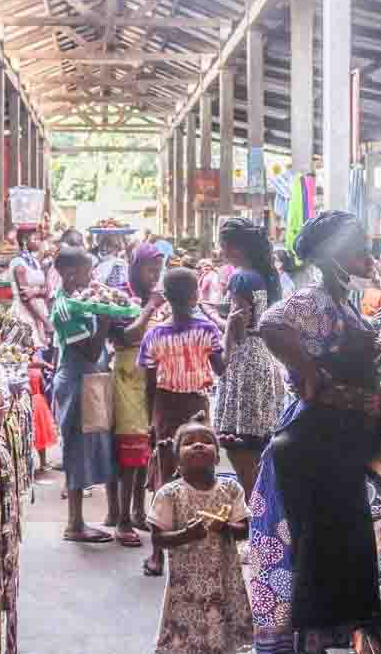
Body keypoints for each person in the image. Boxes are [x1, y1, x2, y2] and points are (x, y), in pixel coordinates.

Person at [253, 211, 381, 654]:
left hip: (336, 448)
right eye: (358, 241)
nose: (367, 249)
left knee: (336, 555)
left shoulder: (341, 299)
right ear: (333, 252)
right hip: (315, 447)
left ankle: (326, 641)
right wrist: (309, 373)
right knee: (319, 558)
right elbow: (271, 324)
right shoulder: (314, 298)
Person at [139, 268, 223, 577]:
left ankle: (158, 555)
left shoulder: (154, 334)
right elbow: (221, 367)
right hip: (197, 407)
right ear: (195, 296)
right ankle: (204, 548)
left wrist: (150, 420)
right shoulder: (208, 330)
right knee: (200, 473)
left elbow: (148, 383)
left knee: (165, 476)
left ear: (167, 298)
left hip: (165, 406)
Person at [147, 413, 252, 654]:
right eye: (188, 442)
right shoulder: (168, 494)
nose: (197, 444)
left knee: (220, 634)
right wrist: (186, 534)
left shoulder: (231, 490)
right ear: (177, 460)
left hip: (223, 580)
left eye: (205, 441)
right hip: (185, 585)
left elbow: (244, 528)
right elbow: (157, 538)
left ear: (217, 457)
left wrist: (225, 527)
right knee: (185, 637)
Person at [202, 218, 288, 499]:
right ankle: (267, 514)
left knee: (240, 444)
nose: (220, 249)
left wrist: (212, 316)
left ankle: (254, 513)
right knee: (260, 442)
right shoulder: (266, 275)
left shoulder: (240, 277)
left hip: (245, 360)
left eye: (222, 243)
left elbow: (238, 328)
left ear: (234, 247)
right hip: (265, 357)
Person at [50, 246, 118, 543]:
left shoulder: (78, 301)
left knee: (88, 445)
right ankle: (74, 524)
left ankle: (80, 521)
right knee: (77, 448)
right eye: (88, 270)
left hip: (89, 381)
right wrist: (105, 317)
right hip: (78, 381)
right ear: (70, 273)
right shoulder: (65, 307)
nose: (93, 276)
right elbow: (90, 351)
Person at [105, 243, 167, 548]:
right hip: (127, 374)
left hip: (150, 377)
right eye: (149, 268)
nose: (154, 274)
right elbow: (126, 335)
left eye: (158, 268)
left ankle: (139, 510)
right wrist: (151, 306)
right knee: (131, 447)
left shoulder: (151, 297)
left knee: (145, 445)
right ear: (136, 267)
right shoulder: (122, 295)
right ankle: (122, 521)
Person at [8, 229, 51, 350]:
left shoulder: (36, 262)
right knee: (25, 352)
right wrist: (46, 322)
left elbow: (47, 291)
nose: (39, 243)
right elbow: (26, 299)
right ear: (24, 241)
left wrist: (35, 292)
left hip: (39, 312)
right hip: (24, 314)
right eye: (35, 239)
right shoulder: (19, 264)